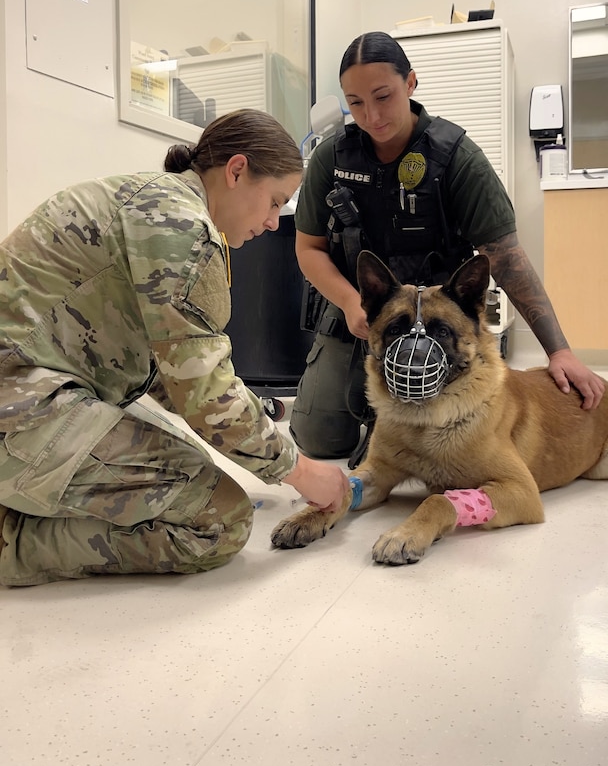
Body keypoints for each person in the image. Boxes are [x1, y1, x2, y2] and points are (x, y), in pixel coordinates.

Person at [0, 109, 350, 586]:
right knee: (220, 520)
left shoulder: (153, 198)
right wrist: (302, 471)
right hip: (21, 409)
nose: (273, 222)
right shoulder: (180, 225)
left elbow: (176, 378)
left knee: (191, 463)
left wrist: (252, 438)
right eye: (274, 201)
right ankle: (11, 544)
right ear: (236, 170)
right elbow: (206, 397)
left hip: (32, 391)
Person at [290, 31, 605, 460]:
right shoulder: (332, 158)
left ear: (411, 83)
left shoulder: (456, 157)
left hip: (439, 321)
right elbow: (308, 249)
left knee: (448, 437)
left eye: (383, 96)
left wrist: (559, 350)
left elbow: (506, 259)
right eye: (356, 102)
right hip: (361, 314)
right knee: (318, 440)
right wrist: (349, 303)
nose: (372, 115)